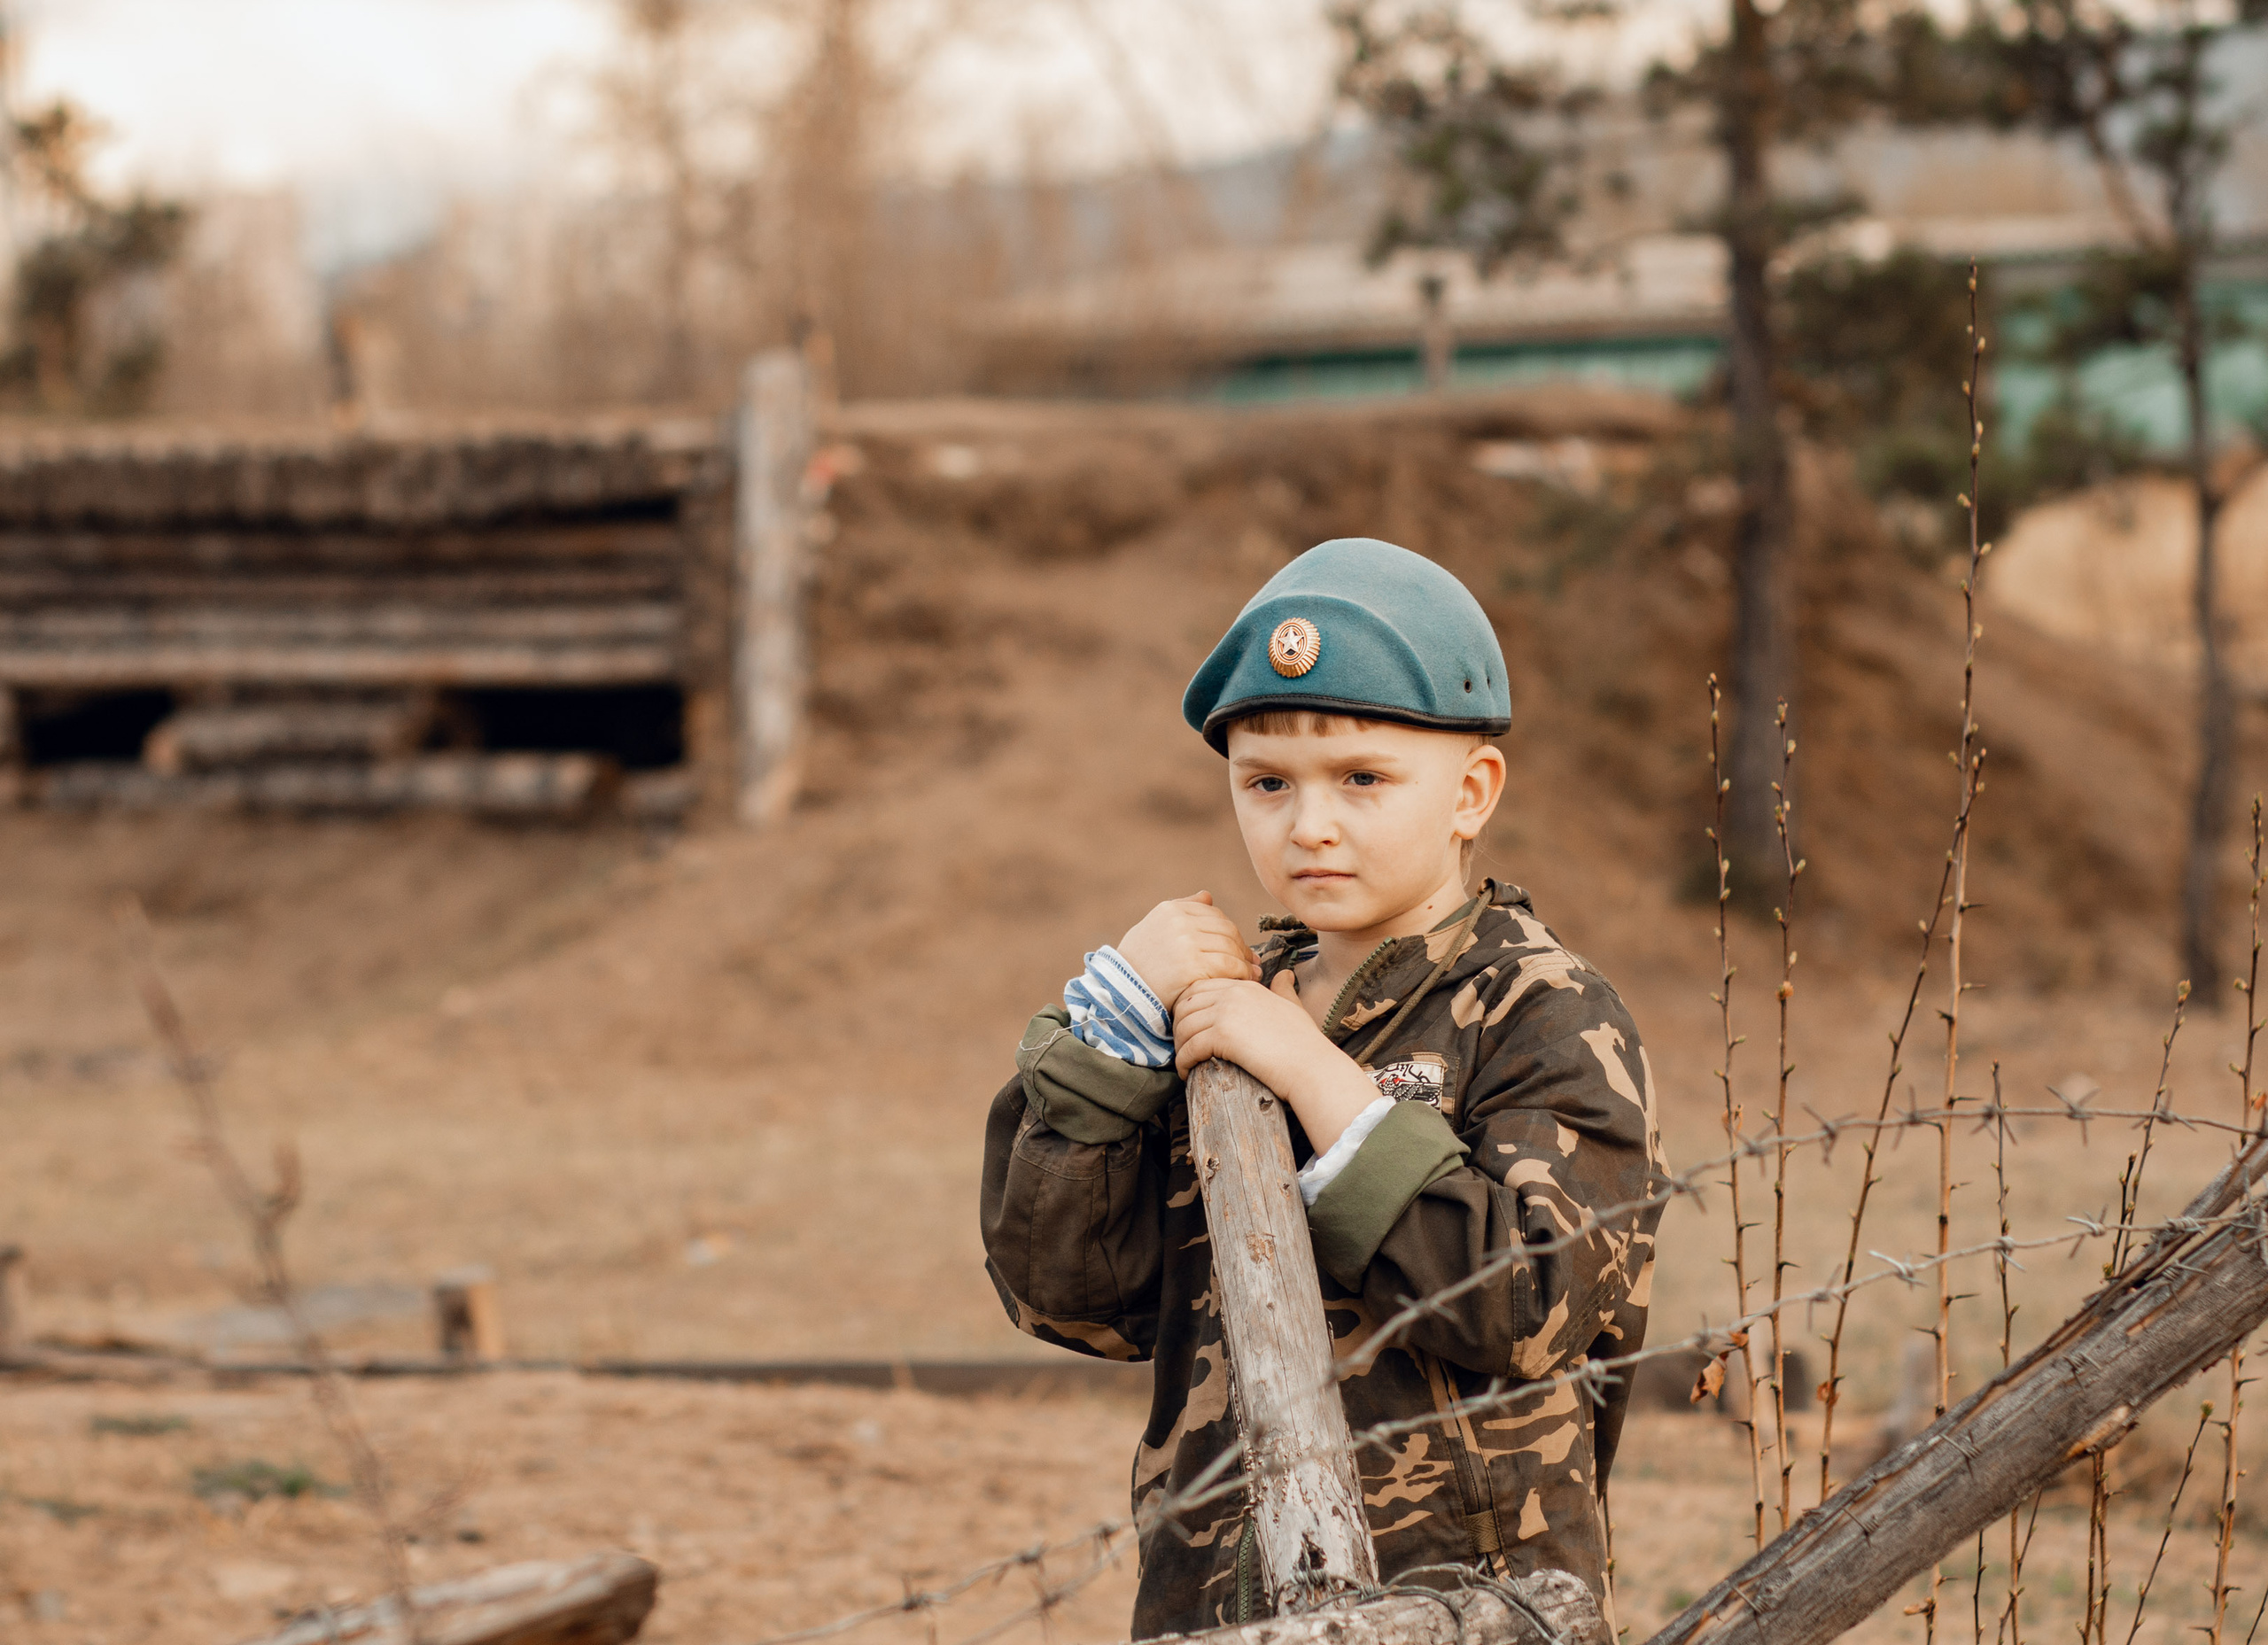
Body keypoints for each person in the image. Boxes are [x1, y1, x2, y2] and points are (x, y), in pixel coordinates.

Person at [978, 538, 1665, 1639]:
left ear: (1470, 793)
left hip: (1461, 1608)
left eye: (1362, 779)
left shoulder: (1542, 1012)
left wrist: (1312, 1075)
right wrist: (1111, 1039)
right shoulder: (1213, 1009)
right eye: (1267, 784)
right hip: (1215, 1602)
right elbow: (1073, 1304)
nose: (1308, 826)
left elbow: (1534, 1308)